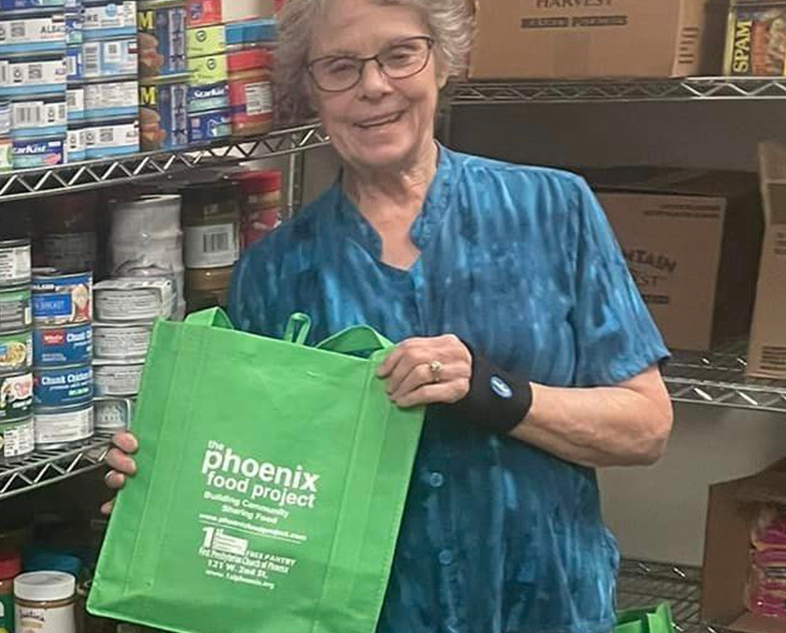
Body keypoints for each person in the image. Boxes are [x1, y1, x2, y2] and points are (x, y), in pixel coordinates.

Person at [99, 0, 675, 631]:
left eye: (400, 54)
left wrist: (496, 393)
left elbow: (645, 427)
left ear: (442, 62)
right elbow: (255, 479)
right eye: (340, 67)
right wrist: (167, 484)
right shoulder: (277, 272)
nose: (374, 86)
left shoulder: (551, 209)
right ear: (311, 90)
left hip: (545, 606)